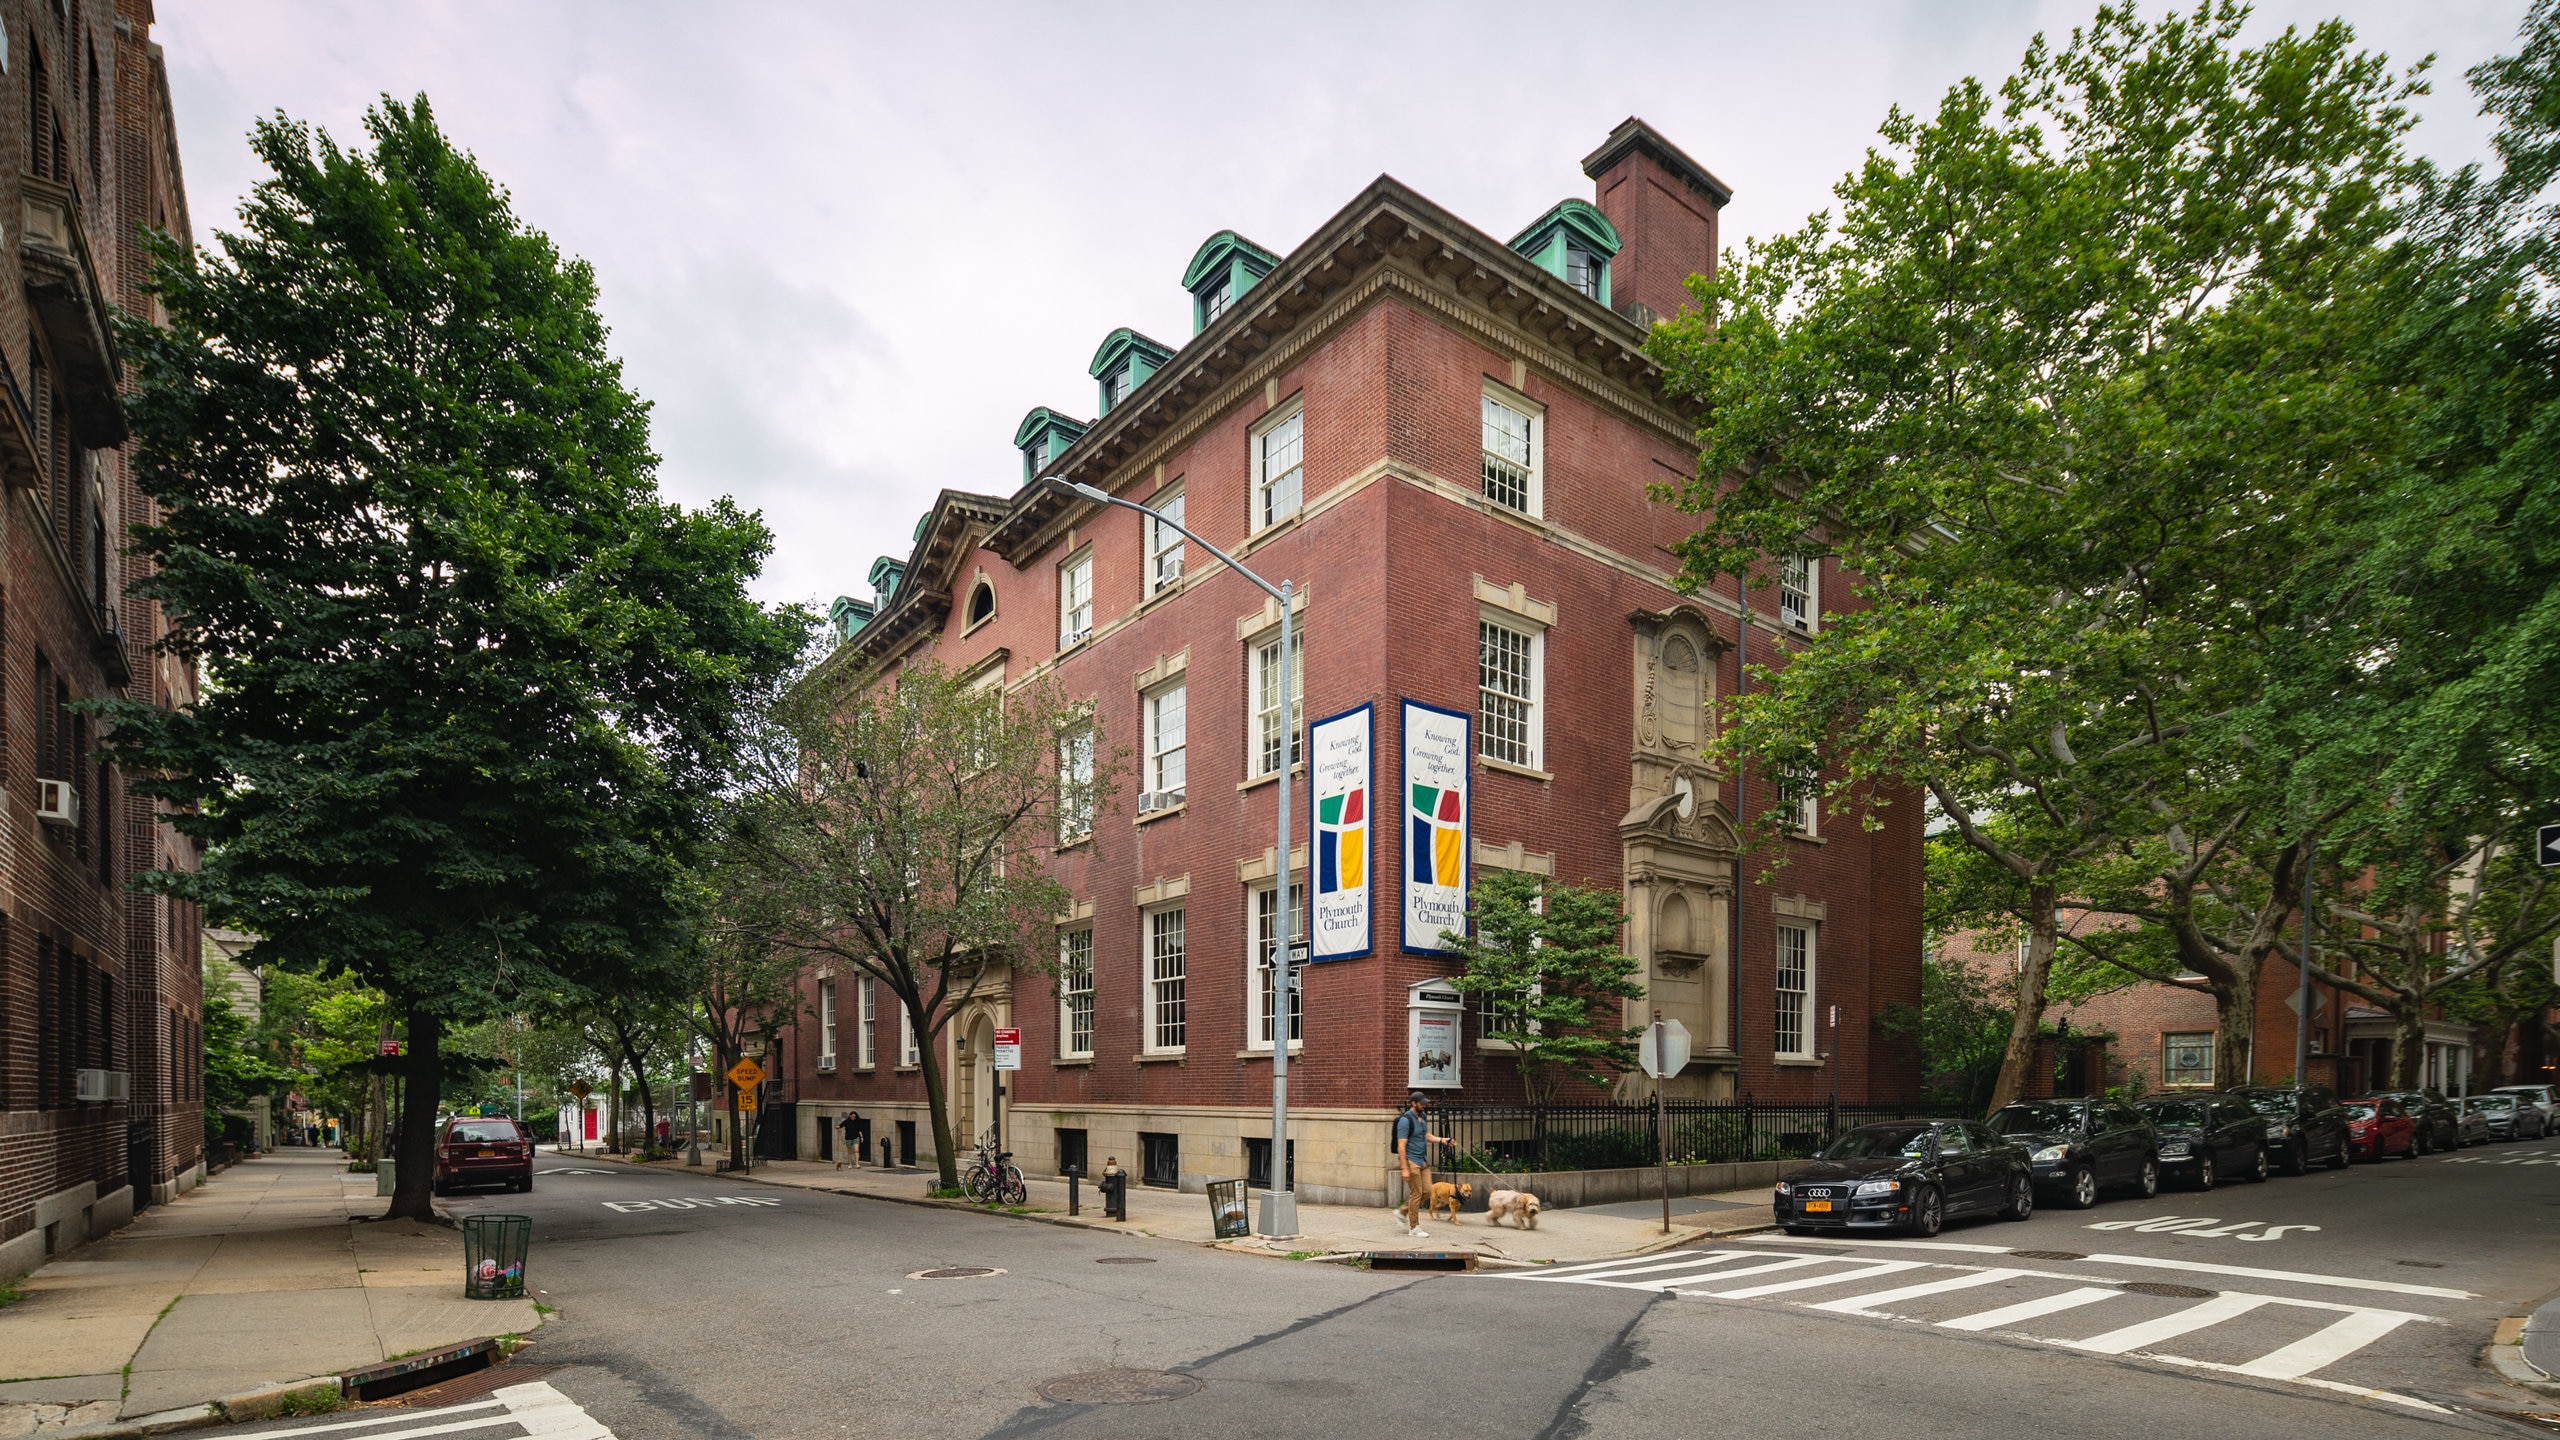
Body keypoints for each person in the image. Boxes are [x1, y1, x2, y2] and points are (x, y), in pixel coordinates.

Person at [1393, 1092, 1452, 1238]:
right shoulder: (1405, 1121)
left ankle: (1402, 1211)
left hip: (1423, 1159)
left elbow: (1426, 1135)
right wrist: (1404, 1168)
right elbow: (1401, 1145)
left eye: (1425, 1103)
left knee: (1427, 1191)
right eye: (1422, 1103)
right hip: (1411, 1160)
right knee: (1417, 1193)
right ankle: (1414, 1228)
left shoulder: (1422, 1118)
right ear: (1413, 1103)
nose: (1425, 1105)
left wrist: (1442, 1140)